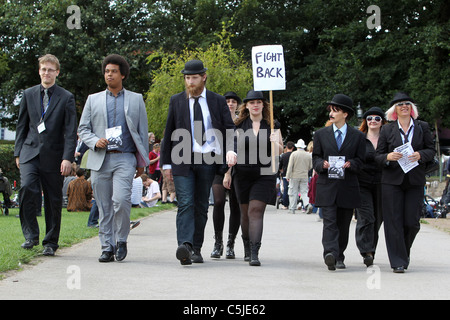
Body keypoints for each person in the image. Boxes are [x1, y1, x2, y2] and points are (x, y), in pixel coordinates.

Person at [161, 59, 237, 265]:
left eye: (194, 78)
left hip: (208, 158)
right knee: (185, 202)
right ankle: (184, 246)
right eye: (187, 78)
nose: (190, 82)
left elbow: (229, 128)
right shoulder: (177, 100)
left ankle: (196, 247)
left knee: (202, 204)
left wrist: (230, 150)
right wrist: (165, 164)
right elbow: (168, 133)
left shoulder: (217, 100)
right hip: (182, 159)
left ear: (203, 77)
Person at [78, 54, 150, 263]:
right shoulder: (93, 99)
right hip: (100, 157)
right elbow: (83, 129)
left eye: (114, 71)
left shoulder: (136, 99)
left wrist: (141, 162)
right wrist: (94, 141)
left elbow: (142, 132)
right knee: (103, 205)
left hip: (125, 158)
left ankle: (121, 240)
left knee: (121, 201)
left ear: (123, 74)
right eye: (107, 71)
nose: (109, 74)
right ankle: (106, 247)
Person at [14, 54, 77, 256]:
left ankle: (50, 242)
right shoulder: (28, 94)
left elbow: (70, 131)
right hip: (29, 153)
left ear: (57, 72)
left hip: (54, 156)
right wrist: (18, 153)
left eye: (50, 69)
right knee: (26, 188)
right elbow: (21, 126)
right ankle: (30, 236)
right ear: (39, 71)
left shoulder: (66, 97)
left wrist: (68, 158)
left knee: (53, 200)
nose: (46, 73)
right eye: (43, 69)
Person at [375, 92, 435, 273]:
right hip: (392, 181)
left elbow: (431, 150)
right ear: (394, 110)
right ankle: (398, 261)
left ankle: (402, 252)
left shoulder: (422, 127)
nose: (404, 107)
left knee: (411, 222)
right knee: (393, 221)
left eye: (407, 104)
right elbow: (377, 156)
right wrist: (388, 156)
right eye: (400, 104)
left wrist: (421, 155)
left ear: (412, 108)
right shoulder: (387, 130)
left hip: (415, 179)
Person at [225, 90, 283, 266]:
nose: (256, 105)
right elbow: (232, 147)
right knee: (245, 213)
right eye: (252, 102)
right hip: (242, 174)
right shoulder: (238, 125)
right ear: (247, 106)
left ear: (263, 104)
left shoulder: (272, 124)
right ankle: (247, 248)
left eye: (259, 102)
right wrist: (228, 171)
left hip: (265, 174)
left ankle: (255, 251)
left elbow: (279, 151)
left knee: (255, 211)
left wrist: (276, 143)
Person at [312, 94, 365, 271]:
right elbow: (316, 158)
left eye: (336, 110)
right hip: (327, 185)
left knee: (343, 223)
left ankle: (340, 255)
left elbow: (361, 160)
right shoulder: (320, 134)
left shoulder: (357, 136)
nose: (331, 113)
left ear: (345, 114)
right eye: (330, 110)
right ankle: (330, 254)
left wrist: (352, 164)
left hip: (347, 185)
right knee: (329, 221)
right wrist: (322, 165)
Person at [210, 91, 242, 259]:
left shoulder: (242, 122)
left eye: (233, 101)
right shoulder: (217, 120)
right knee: (219, 201)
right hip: (218, 167)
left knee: (235, 205)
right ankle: (218, 242)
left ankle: (230, 243)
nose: (230, 104)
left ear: (237, 104)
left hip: (237, 168)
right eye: (227, 101)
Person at [355, 107, 386, 267]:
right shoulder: (359, 139)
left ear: (382, 122)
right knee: (367, 217)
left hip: (383, 183)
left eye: (377, 118)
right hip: (362, 183)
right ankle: (366, 250)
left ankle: (371, 249)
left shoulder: (387, 139)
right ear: (365, 122)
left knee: (378, 219)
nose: (373, 121)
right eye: (369, 118)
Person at [286, 139, 312, 214]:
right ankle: (307, 204)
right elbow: (310, 166)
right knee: (304, 192)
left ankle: (292, 208)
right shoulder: (308, 155)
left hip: (294, 175)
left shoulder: (294, 154)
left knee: (293, 192)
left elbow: (290, 166)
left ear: (297, 146)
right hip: (304, 175)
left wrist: (288, 175)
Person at [279, 141, 295, 210]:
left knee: (285, 190)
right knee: (293, 190)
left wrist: (281, 171)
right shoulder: (294, 155)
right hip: (293, 175)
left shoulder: (283, 156)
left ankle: (285, 205)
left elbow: (280, 166)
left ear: (286, 147)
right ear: (293, 148)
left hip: (285, 174)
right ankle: (293, 204)